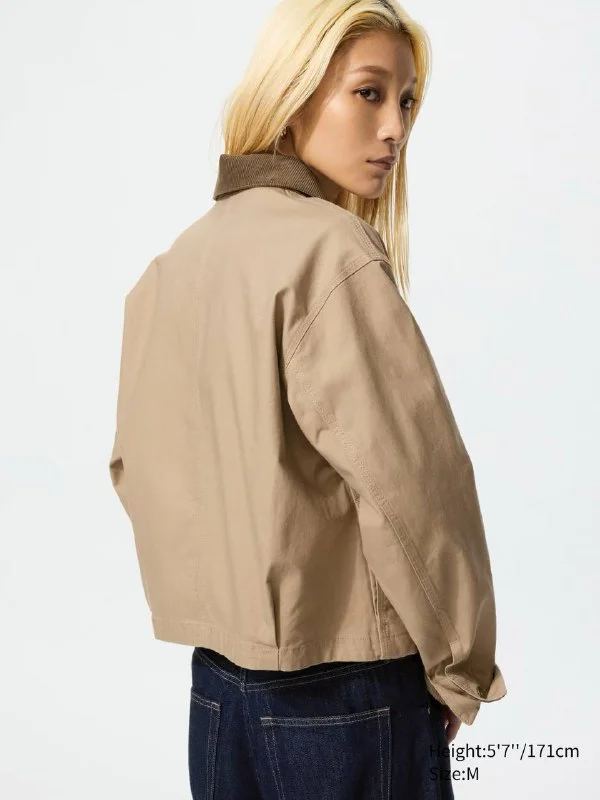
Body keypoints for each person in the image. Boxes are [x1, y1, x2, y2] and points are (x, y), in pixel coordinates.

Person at [108, 1, 507, 797]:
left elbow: (133, 468)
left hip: (217, 694)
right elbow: (413, 486)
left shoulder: (176, 262)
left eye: (407, 101)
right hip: (346, 695)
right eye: (369, 92)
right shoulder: (330, 252)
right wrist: (460, 665)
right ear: (291, 96)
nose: (395, 128)